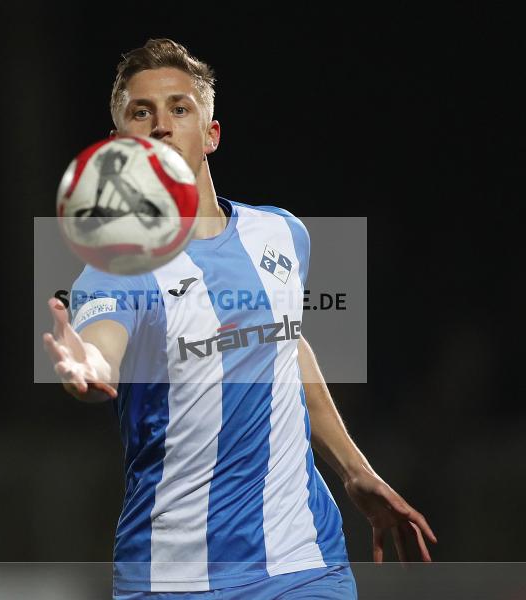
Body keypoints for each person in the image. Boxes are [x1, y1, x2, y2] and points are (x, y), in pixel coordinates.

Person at [44, 38, 436, 599]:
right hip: (173, 576)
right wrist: (85, 364)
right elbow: (98, 349)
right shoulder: (117, 266)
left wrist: (354, 471)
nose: (161, 125)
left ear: (211, 134)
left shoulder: (280, 234)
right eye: (141, 112)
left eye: (179, 108)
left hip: (304, 563)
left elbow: (284, 346)